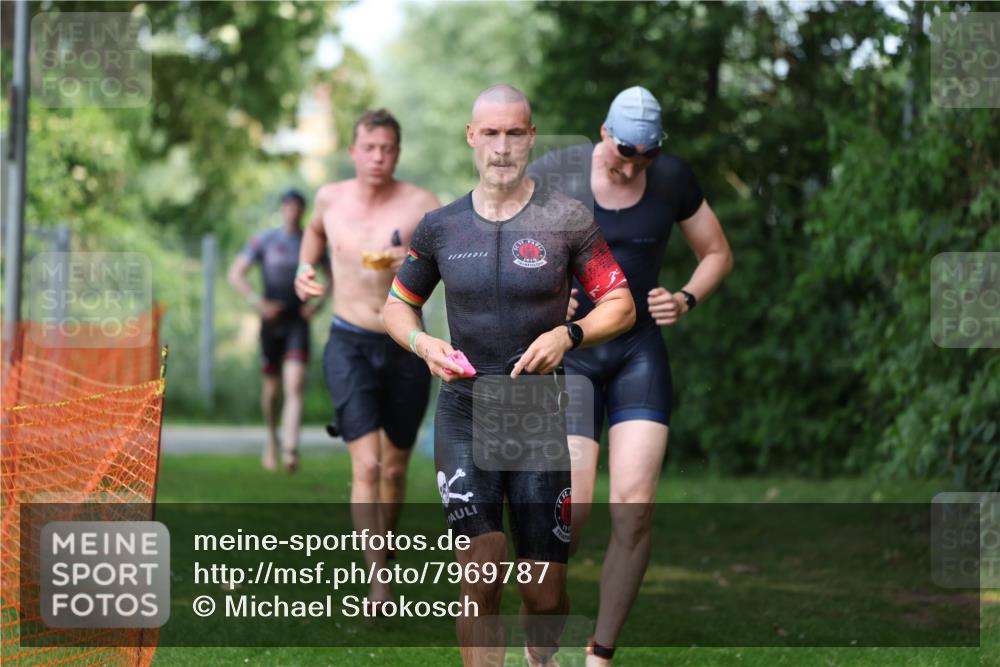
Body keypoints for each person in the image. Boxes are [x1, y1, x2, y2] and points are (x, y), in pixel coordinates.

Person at [382, 85, 636, 667]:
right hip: (465, 408)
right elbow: (397, 305)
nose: (502, 146)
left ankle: (540, 652)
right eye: (490, 133)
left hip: (536, 415)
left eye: (513, 133)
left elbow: (620, 303)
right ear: (472, 137)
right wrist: (422, 342)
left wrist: (568, 335)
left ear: (531, 136)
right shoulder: (439, 227)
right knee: (481, 574)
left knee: (544, 595)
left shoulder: (567, 221)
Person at [527, 86, 734, 664]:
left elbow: (716, 251)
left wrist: (687, 298)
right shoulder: (558, 176)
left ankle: (600, 654)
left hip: (639, 351)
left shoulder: (671, 179)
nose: (630, 164)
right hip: (575, 355)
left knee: (636, 507)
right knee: (573, 509)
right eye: (622, 150)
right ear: (602, 133)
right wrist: (548, 299)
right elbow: (509, 250)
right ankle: (539, 648)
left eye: (643, 154)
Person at [294, 109, 441, 607]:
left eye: (388, 149)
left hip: (406, 344)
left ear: (397, 153)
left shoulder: (422, 205)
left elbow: (456, 259)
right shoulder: (329, 198)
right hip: (348, 340)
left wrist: (418, 261)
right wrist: (303, 269)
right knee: (369, 466)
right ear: (354, 151)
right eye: (370, 148)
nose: (378, 157)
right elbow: (313, 234)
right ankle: (378, 577)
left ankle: (386, 557)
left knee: (396, 470)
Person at [228, 189, 330, 473]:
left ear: (303, 210)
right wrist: (258, 303)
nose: (293, 212)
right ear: (282, 209)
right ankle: (272, 438)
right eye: (288, 207)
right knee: (272, 391)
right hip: (270, 323)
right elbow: (236, 273)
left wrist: (318, 306)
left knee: (295, 385)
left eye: (298, 207)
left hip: (298, 321)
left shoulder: (311, 242)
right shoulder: (265, 240)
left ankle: (290, 450)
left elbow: (331, 279)